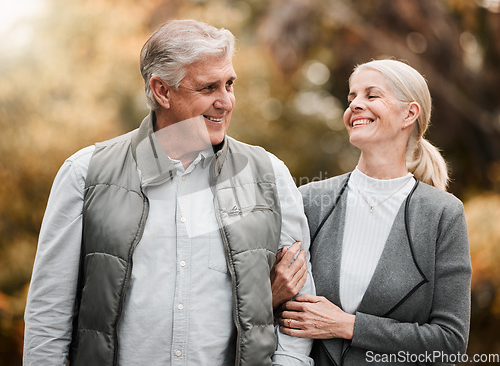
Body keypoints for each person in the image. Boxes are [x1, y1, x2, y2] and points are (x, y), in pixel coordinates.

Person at [23, 19, 315, 366]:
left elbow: (299, 307)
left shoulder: (270, 175)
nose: (225, 102)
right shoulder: (84, 173)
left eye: (229, 84)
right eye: (208, 88)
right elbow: (49, 313)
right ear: (162, 91)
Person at [275, 59, 472, 365]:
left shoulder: (442, 214)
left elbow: (450, 343)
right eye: (351, 97)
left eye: (371, 95)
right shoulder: (309, 200)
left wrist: (347, 326)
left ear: (410, 113)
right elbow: (276, 306)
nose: (355, 105)